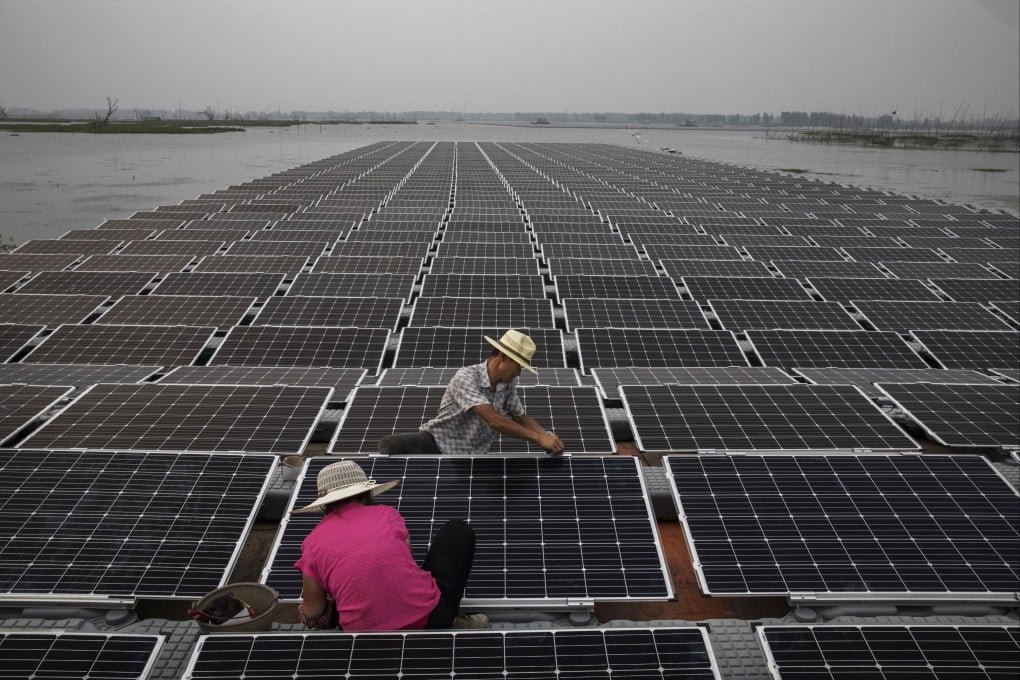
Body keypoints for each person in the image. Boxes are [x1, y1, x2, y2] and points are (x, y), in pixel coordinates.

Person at [293, 460, 487, 631]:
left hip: (359, 637)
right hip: (431, 619)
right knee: (457, 530)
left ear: (324, 505)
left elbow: (313, 612)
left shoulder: (312, 543)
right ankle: (453, 621)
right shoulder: (387, 514)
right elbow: (405, 558)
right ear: (367, 493)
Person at [378, 329, 566, 456]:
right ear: (503, 357)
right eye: (518, 366)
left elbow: (520, 416)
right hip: (438, 444)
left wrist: (548, 435)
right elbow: (494, 420)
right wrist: (539, 438)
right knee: (391, 445)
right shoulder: (466, 377)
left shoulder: (507, 384)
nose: (518, 373)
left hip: (472, 455)